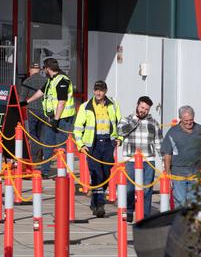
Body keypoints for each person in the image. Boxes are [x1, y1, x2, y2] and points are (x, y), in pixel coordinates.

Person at [73, 80, 122, 218]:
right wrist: (81, 145)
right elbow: (77, 128)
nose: (98, 92)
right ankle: (100, 204)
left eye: (101, 90)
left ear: (105, 91)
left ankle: (94, 201)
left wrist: (120, 139)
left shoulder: (113, 105)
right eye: (96, 90)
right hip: (92, 146)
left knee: (106, 174)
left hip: (108, 143)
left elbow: (120, 124)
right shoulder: (85, 106)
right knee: (96, 174)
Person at [24, 58, 76, 178]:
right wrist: (27, 101)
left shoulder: (62, 80)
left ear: (48, 68)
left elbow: (61, 102)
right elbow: (41, 92)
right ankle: (45, 171)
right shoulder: (50, 80)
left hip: (63, 120)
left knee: (62, 147)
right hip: (51, 119)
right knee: (47, 145)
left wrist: (56, 119)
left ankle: (64, 173)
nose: (44, 71)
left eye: (44, 68)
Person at [117, 96, 162, 222]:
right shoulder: (126, 119)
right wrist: (135, 122)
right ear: (137, 105)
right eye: (142, 107)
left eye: (146, 109)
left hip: (148, 160)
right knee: (130, 188)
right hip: (130, 159)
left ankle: (145, 216)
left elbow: (159, 142)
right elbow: (120, 131)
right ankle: (130, 210)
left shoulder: (153, 122)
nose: (144, 111)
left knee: (147, 189)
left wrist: (164, 161)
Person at [161, 105, 201, 206]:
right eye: (185, 120)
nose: (188, 122)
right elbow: (167, 154)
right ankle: (180, 222)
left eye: (191, 120)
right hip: (178, 174)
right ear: (180, 119)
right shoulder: (173, 132)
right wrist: (168, 174)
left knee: (194, 203)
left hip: (195, 173)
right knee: (180, 203)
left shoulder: (200, 130)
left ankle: (191, 222)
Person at [20, 63, 48, 169]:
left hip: (32, 110)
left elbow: (22, 98)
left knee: (32, 134)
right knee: (42, 134)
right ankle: (40, 155)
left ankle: (34, 156)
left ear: (30, 70)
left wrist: (21, 105)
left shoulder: (27, 81)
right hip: (44, 110)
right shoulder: (45, 80)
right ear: (39, 70)